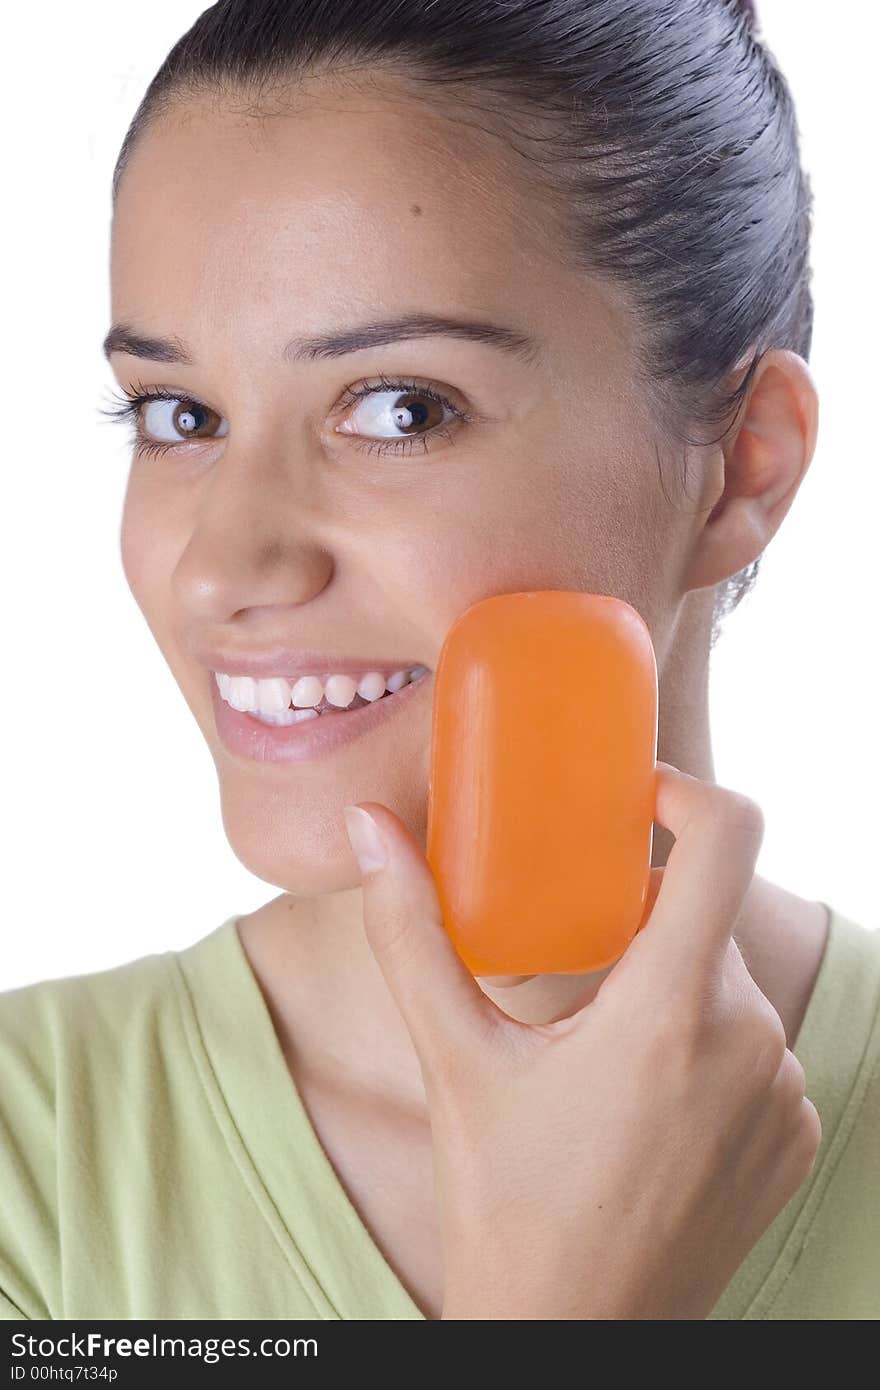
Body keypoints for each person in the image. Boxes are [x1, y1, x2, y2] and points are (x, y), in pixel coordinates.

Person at [1, 0, 877, 1321]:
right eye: (180, 414)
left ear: (742, 465)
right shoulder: (33, 1165)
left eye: (400, 407)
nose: (223, 565)